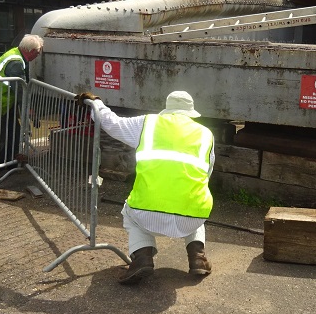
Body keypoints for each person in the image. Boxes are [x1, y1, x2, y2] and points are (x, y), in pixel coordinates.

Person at [78, 90, 215, 284]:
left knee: (129, 214)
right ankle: (198, 257)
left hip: (146, 211)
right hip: (192, 216)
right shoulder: (206, 134)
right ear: (191, 112)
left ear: (167, 109)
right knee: (196, 202)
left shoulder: (147, 124)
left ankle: (142, 257)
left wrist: (96, 104)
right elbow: (205, 174)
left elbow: (112, 123)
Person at [0, 34, 43, 167]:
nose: (38, 54)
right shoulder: (16, 63)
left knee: (13, 130)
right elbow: (21, 90)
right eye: (38, 51)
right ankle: (0, 164)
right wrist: (29, 111)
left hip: (4, 101)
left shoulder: (18, 55)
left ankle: (12, 157)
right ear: (30, 51)